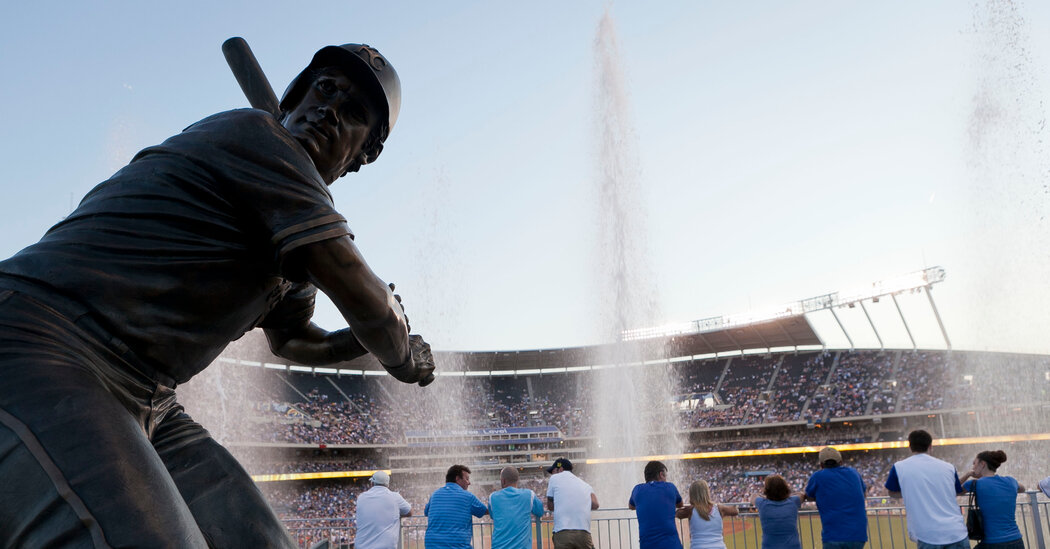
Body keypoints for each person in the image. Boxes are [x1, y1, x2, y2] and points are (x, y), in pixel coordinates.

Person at [0, 43, 436, 548]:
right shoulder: (258, 135)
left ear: (364, 154)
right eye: (325, 88)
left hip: (150, 396)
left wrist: (363, 337)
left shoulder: (292, 235)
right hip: (43, 340)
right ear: (293, 99)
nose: (329, 110)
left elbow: (295, 342)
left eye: (353, 112)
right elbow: (369, 301)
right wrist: (400, 349)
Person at [884, 429, 968, 549]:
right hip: (957, 532)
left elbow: (892, 493)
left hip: (928, 535)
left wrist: (912, 491)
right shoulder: (949, 467)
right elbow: (956, 490)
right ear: (930, 446)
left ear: (910, 447)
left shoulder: (899, 467)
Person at [802, 447, 868, 549]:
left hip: (833, 536)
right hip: (858, 535)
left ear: (821, 465)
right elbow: (863, 493)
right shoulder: (853, 473)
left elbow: (809, 496)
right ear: (841, 462)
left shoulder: (818, 476)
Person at [959, 450, 1026, 549]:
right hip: (1016, 541)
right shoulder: (1010, 481)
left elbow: (954, 490)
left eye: (974, 463)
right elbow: (1022, 488)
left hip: (992, 543)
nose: (973, 467)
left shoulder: (975, 484)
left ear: (982, 464)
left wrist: (968, 474)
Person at [425, 464, 488, 548]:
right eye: (467, 479)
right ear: (457, 479)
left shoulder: (435, 494)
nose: (469, 483)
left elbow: (426, 512)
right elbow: (485, 511)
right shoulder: (468, 496)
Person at [628, 460, 684, 549]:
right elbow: (680, 504)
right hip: (671, 544)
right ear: (661, 474)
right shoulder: (670, 487)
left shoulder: (637, 489)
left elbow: (631, 506)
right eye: (665, 475)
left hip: (647, 545)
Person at [546, 457, 600, 549]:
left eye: (554, 471)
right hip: (584, 533)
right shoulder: (585, 485)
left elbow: (550, 506)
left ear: (561, 469)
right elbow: (595, 505)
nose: (552, 474)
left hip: (563, 531)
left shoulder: (554, 478)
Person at [489, 466, 545, 549]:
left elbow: (493, 515)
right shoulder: (529, 495)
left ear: (503, 480)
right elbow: (540, 511)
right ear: (517, 480)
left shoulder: (493, 497)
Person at [354, 470, 412, 549]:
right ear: (387, 484)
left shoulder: (361, 497)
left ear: (372, 483)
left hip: (361, 546)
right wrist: (396, 514)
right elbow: (410, 512)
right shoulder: (395, 497)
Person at [676, 479, 739, 549]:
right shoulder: (719, 508)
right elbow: (735, 511)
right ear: (707, 492)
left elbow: (676, 513)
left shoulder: (690, 510)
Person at [752, 475, 802, 549]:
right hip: (792, 546)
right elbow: (801, 495)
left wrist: (765, 497)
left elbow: (754, 496)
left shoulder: (762, 503)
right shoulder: (793, 501)